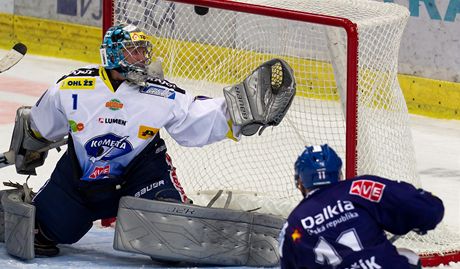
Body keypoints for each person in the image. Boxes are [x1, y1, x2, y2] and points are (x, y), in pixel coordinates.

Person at [7, 24, 295, 257]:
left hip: (142, 176)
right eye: (133, 50)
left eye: (143, 50)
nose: (142, 57)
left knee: (173, 235)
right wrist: (28, 145)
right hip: (79, 181)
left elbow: (196, 118)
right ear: (112, 54)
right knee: (39, 234)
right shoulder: (71, 87)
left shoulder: (162, 93)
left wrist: (238, 113)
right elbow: (42, 125)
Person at [279, 144, 444, 269]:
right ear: (339, 174)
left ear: (300, 182)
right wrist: (421, 219)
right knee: (408, 257)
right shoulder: (359, 188)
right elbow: (428, 210)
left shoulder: (292, 226)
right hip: (382, 265)